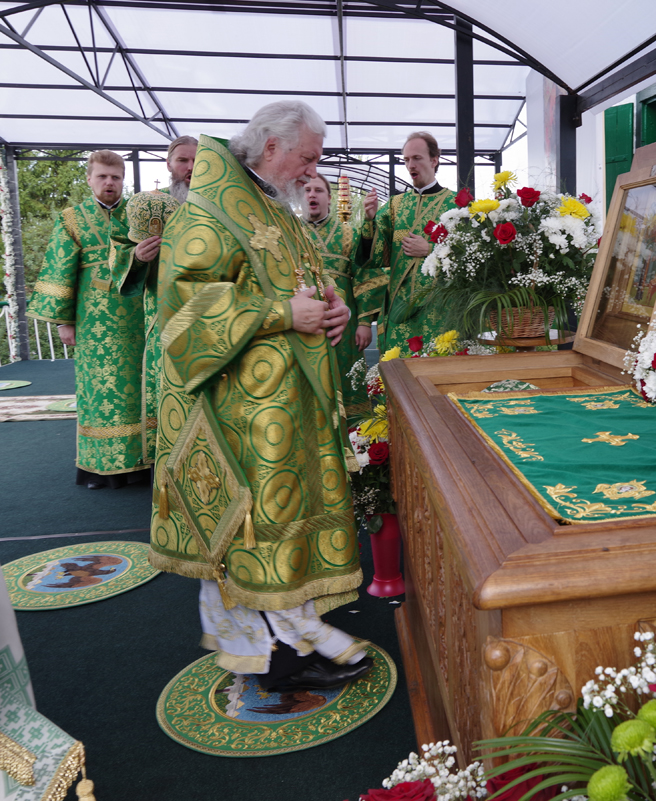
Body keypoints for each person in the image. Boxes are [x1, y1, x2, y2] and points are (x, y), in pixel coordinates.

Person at [151, 101, 371, 692]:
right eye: (308, 157)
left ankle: (296, 627)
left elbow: (303, 283)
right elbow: (183, 311)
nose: (311, 170)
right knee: (257, 520)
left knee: (290, 513)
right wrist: (280, 313)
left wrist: (331, 310)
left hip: (288, 400)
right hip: (239, 410)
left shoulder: (274, 206)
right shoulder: (210, 211)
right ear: (271, 147)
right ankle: (268, 649)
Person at [27, 150, 150, 490]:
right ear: (89, 178)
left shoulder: (138, 216)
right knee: (99, 395)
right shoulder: (72, 218)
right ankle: (99, 468)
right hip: (92, 324)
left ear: (123, 180)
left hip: (135, 319)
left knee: (137, 391)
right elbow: (59, 268)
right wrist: (64, 321)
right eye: (102, 177)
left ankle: (141, 464)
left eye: (116, 177)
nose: (109, 183)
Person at [109, 134, 198, 464]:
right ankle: (168, 462)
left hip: (212, 308)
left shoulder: (218, 203)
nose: (190, 167)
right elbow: (118, 250)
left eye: (196, 161)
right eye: (182, 160)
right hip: (164, 309)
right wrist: (139, 257)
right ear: (169, 164)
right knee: (168, 382)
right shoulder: (145, 206)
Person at [356, 131, 457, 351]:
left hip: (440, 311)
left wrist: (431, 249)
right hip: (400, 311)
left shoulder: (456, 204)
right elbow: (372, 257)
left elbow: (471, 256)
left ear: (434, 160)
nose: (411, 165)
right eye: (406, 160)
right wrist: (370, 219)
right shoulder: (394, 206)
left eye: (417, 158)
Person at [303, 173, 377, 419]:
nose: (311, 194)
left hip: (346, 324)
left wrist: (365, 322)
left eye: (318, 190)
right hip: (304, 322)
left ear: (329, 198)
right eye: (306, 190)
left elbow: (364, 276)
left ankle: (357, 440)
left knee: (347, 379)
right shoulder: (291, 232)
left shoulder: (348, 233)